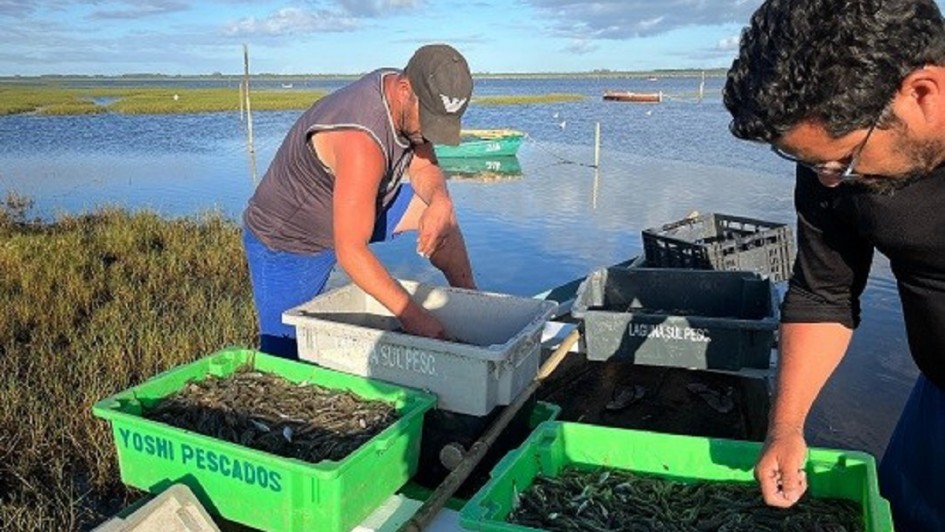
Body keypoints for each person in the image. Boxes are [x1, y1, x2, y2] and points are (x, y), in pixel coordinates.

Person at [723, 1, 945, 529]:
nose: (827, 179)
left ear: (922, 94)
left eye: (841, 159)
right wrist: (786, 427)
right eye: (807, 161)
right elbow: (824, 293)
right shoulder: (834, 165)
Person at [242, 44, 477, 359]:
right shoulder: (359, 140)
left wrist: (440, 201)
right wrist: (417, 320)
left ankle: (474, 302)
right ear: (405, 90)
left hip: (359, 203)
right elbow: (351, 251)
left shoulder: (402, 93)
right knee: (282, 354)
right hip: (289, 241)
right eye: (430, 121)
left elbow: (422, 163)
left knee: (438, 215)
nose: (430, 134)